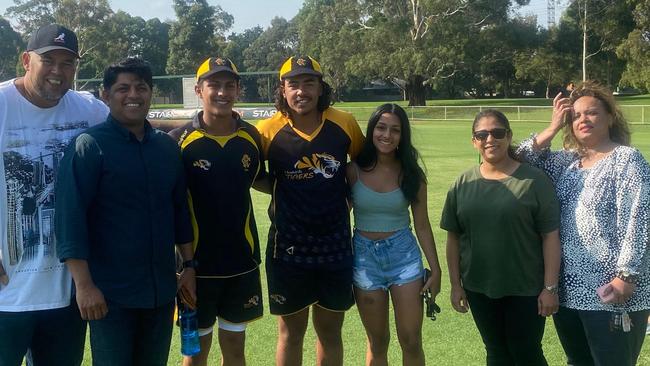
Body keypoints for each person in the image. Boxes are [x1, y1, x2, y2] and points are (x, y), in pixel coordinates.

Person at [54, 57, 196, 366]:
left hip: (160, 292)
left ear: (151, 93)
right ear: (105, 95)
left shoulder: (166, 147)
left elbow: (179, 210)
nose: (133, 95)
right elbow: (69, 220)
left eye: (141, 88)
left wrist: (189, 265)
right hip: (109, 297)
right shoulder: (88, 146)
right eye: (123, 88)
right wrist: (85, 286)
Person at [517, 82, 650, 366]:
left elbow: (638, 220)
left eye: (591, 113)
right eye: (575, 115)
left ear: (610, 117)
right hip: (568, 292)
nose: (583, 120)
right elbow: (520, 160)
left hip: (611, 291)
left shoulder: (626, 159)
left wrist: (626, 276)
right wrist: (552, 127)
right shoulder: (566, 163)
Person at [0, 24, 108, 366]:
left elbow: (133, 136)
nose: (58, 72)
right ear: (26, 60)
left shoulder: (89, 110)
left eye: (67, 63)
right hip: (6, 293)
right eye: (49, 61)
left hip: (68, 294)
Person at [256, 55, 364, 365]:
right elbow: (248, 171)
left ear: (320, 88)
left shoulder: (344, 123)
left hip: (336, 244)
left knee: (330, 333)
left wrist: (349, 195)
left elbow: (364, 166)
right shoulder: (267, 130)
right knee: (291, 333)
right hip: (287, 247)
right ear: (283, 89)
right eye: (294, 84)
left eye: (309, 83)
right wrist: (281, 186)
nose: (301, 91)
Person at [441, 109, 561, 365]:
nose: (489, 139)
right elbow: (453, 239)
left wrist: (550, 288)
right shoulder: (462, 184)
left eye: (497, 133)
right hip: (479, 287)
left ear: (508, 136)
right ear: (474, 141)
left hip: (525, 288)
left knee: (526, 352)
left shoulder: (533, 180)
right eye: (481, 134)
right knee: (496, 352)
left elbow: (550, 237)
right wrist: (455, 285)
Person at [169, 57, 266, 366]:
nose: (222, 92)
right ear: (199, 90)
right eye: (214, 85)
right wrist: (184, 264)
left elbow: (259, 181)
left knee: (236, 352)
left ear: (238, 89)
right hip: (196, 268)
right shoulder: (179, 142)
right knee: (195, 355)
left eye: (229, 85)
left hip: (242, 261)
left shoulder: (252, 138)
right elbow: (172, 205)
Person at [347, 103, 441, 365]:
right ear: (372, 130)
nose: (387, 135)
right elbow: (339, 219)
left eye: (395, 130)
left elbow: (422, 225)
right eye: (381, 127)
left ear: (403, 135)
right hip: (365, 261)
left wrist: (436, 269)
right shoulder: (353, 171)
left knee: (411, 340)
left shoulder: (412, 174)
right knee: (378, 342)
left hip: (404, 259)